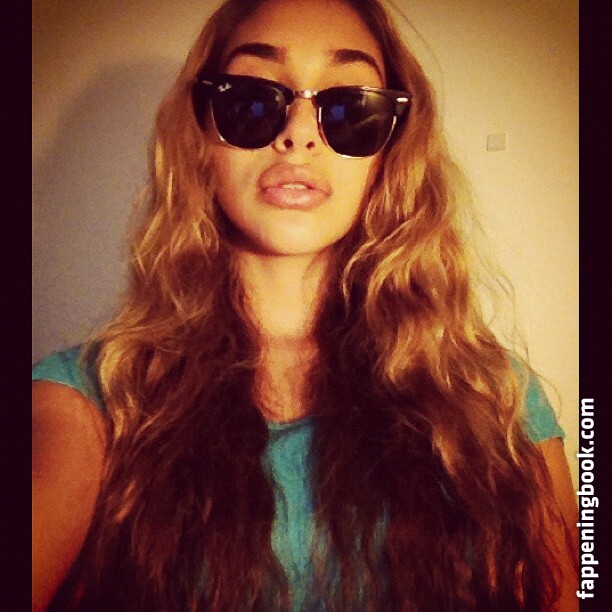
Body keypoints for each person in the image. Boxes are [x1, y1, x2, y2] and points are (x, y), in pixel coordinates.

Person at [32, 0, 578, 610]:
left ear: (390, 151)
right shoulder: (93, 400)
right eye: (251, 99)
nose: (299, 133)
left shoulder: (492, 397)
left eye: (349, 106)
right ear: (199, 136)